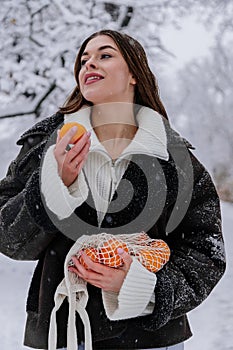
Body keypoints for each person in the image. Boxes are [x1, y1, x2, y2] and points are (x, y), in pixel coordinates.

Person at [0, 29, 226, 350]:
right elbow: (9, 239)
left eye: (104, 55)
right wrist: (54, 184)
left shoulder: (175, 159)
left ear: (134, 73)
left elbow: (206, 253)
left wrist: (140, 287)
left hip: (151, 339)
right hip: (64, 331)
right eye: (83, 60)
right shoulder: (46, 146)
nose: (89, 64)